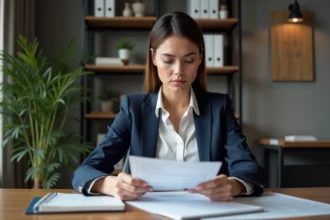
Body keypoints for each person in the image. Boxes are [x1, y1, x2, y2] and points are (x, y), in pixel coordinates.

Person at [72, 11, 265, 201]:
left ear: (199, 58)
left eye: (188, 60)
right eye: (168, 60)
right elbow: (85, 171)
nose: (178, 71)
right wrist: (110, 185)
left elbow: (249, 167)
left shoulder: (219, 107)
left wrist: (233, 185)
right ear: (154, 58)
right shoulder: (133, 108)